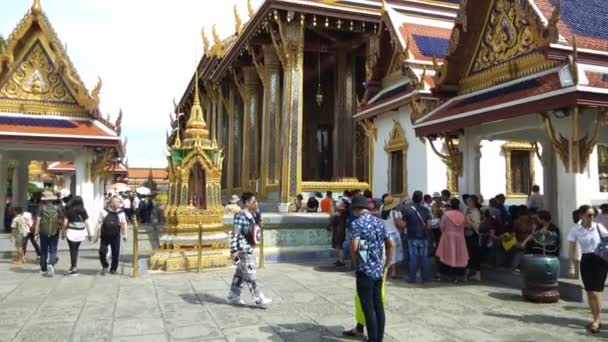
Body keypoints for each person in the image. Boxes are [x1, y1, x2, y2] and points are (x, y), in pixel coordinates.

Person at [350, 195, 393, 342]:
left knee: (368, 307)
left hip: (365, 270)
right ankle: (378, 338)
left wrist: (356, 264)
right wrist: (387, 263)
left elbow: (356, 247)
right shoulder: (379, 222)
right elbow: (390, 244)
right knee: (378, 306)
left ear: (356, 209)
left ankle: (373, 339)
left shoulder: (357, 223)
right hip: (378, 270)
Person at [568, 205, 608, 334]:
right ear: (581, 215)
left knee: (596, 291)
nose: (592, 217)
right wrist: (572, 265)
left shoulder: (598, 227)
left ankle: (597, 320)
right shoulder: (575, 230)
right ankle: (594, 318)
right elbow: (572, 249)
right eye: (589, 215)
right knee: (589, 292)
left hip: (600, 260)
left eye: (593, 215)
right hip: (586, 260)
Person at [226, 192, 271, 306]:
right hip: (242, 250)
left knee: (240, 273)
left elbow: (260, 224)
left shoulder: (253, 214)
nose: (255, 203)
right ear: (246, 203)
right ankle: (258, 298)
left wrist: (257, 209)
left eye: (255, 201)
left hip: (249, 247)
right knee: (250, 273)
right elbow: (235, 233)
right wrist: (234, 251)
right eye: (253, 202)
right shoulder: (240, 215)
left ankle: (233, 296)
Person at [402, 190, 433, 283]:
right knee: (424, 257)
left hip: (412, 235)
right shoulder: (426, 210)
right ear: (421, 199)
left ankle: (412, 278)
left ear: (413, 198)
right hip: (423, 236)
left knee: (413, 257)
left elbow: (404, 224)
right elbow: (429, 225)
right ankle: (426, 278)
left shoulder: (407, 210)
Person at [436, 198, 469, 282]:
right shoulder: (462, 215)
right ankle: (458, 275)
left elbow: (442, 227)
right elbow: (464, 225)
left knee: (446, 255)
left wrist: (445, 232)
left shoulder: (446, 214)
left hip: (448, 237)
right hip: (459, 237)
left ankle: (445, 274)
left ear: (450, 205)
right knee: (458, 255)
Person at [96, 196, 128, 275]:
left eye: (119, 202)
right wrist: (96, 234)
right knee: (102, 251)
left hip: (115, 235)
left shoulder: (121, 213)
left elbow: (124, 224)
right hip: (105, 235)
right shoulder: (104, 211)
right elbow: (98, 222)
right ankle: (105, 265)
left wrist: (125, 234)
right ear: (111, 203)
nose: (118, 204)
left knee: (115, 252)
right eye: (116, 202)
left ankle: (113, 269)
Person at [61, 196, 92, 276]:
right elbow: (87, 223)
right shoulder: (83, 210)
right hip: (80, 233)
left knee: (73, 250)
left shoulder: (68, 209)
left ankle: (74, 269)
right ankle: (72, 267)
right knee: (75, 250)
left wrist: (63, 232)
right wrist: (89, 234)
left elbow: (65, 223)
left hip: (71, 232)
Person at [35, 193, 63, 277]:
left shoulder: (41, 207)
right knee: (53, 249)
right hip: (55, 232)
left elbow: (38, 220)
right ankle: (51, 265)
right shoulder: (58, 207)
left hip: (43, 232)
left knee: (44, 250)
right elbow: (61, 219)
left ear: (45, 200)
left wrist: (36, 232)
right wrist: (62, 229)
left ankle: (43, 268)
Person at [380, 196, 404, 278]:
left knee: (386, 253)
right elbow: (400, 224)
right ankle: (393, 272)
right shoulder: (394, 213)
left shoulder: (381, 209)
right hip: (394, 234)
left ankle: (385, 270)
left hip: (384, 234)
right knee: (394, 253)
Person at [464, 195, 481, 281]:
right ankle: (469, 273)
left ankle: (475, 273)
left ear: (473, 202)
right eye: (467, 201)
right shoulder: (467, 210)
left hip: (473, 234)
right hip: (467, 234)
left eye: (470, 201)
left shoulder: (475, 212)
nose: (468, 203)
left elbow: (476, 225)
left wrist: (468, 223)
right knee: (469, 254)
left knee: (474, 254)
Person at [329, 197, 349, 267]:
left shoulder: (342, 210)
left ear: (344, 204)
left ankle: (341, 260)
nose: (338, 203)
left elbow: (332, 214)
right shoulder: (342, 210)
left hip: (340, 230)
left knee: (340, 246)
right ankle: (340, 260)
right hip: (339, 229)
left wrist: (332, 205)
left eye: (340, 202)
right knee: (338, 246)